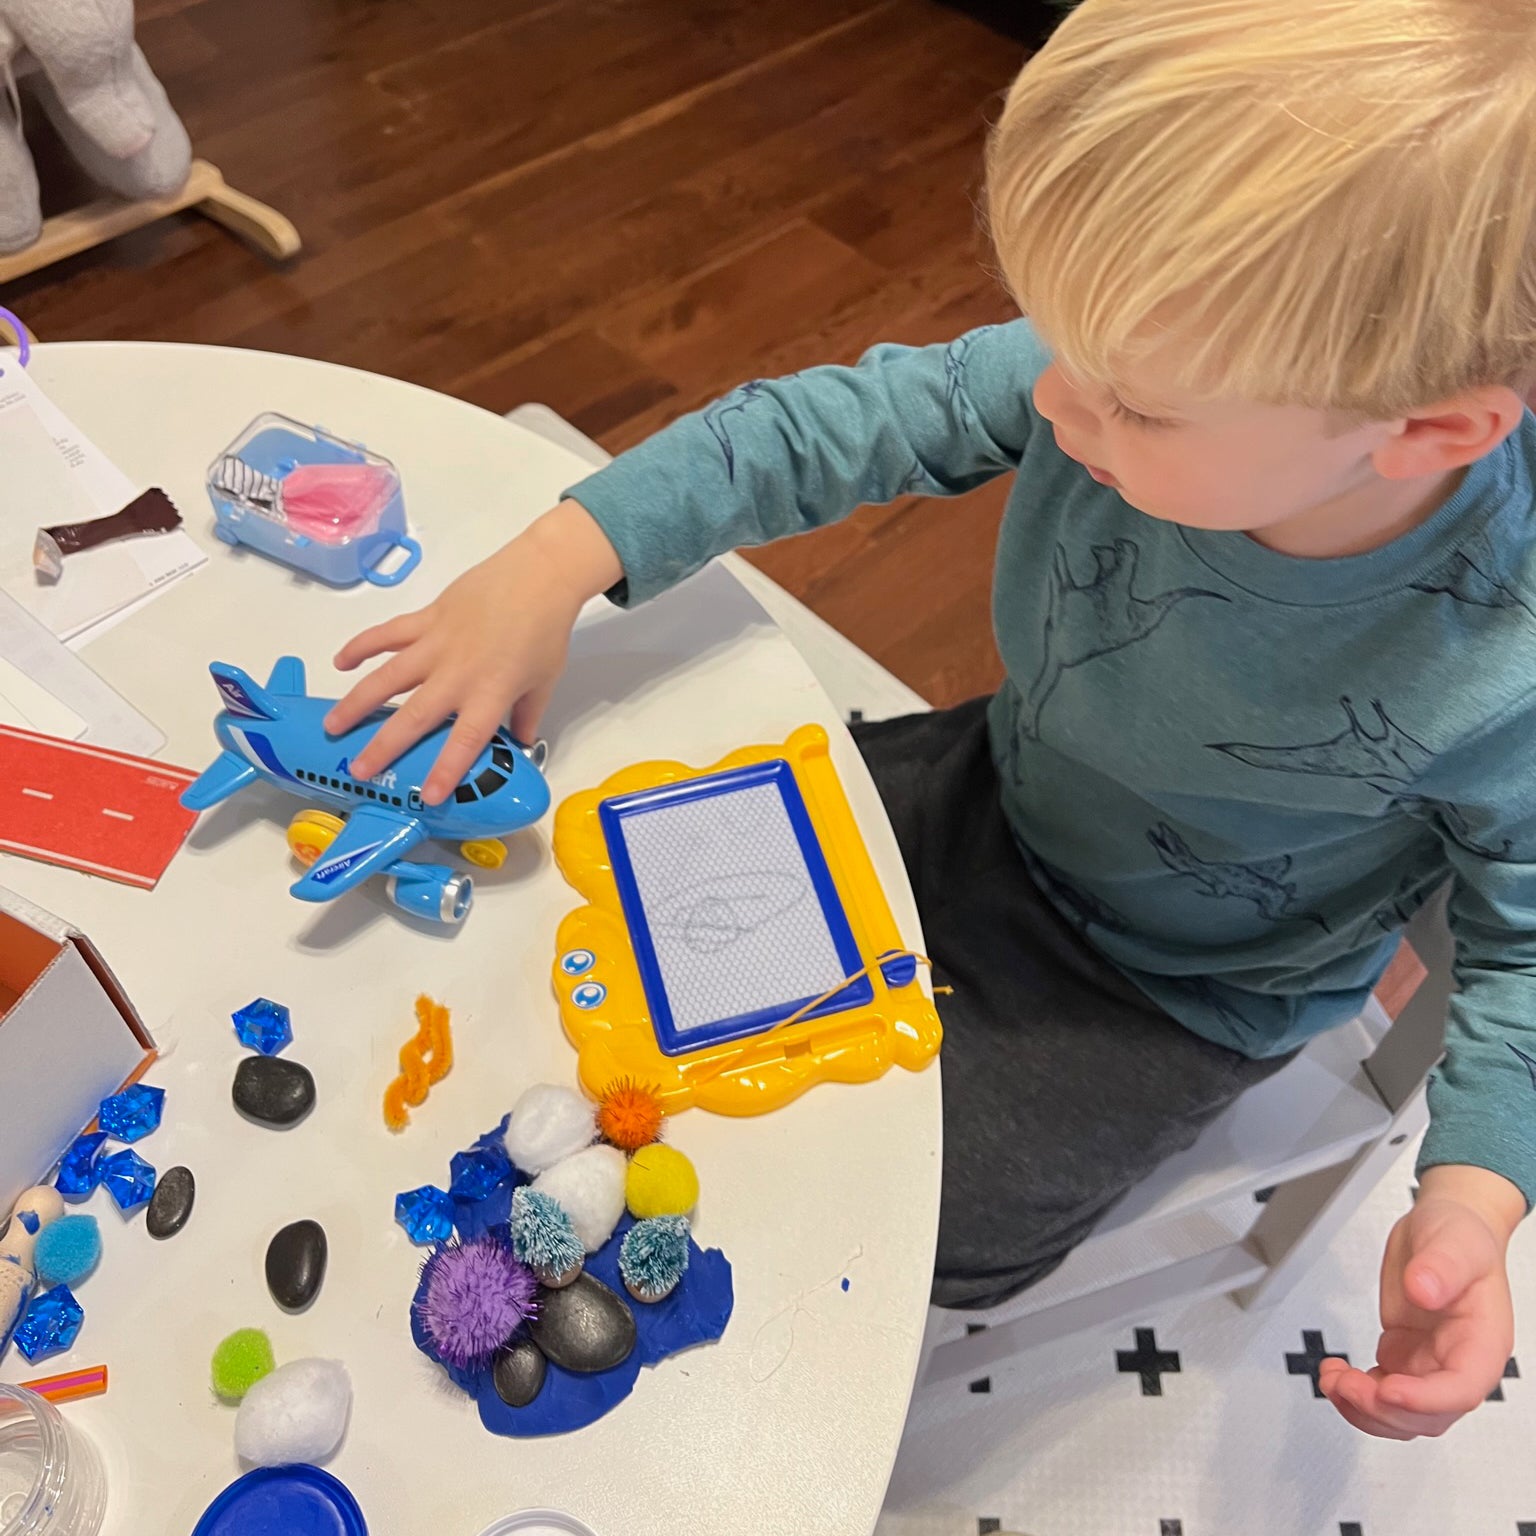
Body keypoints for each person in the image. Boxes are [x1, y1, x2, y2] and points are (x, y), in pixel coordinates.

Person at [326, 0, 1536, 1442]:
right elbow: (816, 427)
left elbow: (1523, 949)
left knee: (913, 1225)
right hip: (996, 794)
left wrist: (1473, 1191)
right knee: (626, 920)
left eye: (1132, 406)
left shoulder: (1507, 660)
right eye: (1056, 343)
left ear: (1432, 433)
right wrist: (554, 560)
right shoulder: (1122, 370)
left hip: (1176, 997)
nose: (1055, 399)